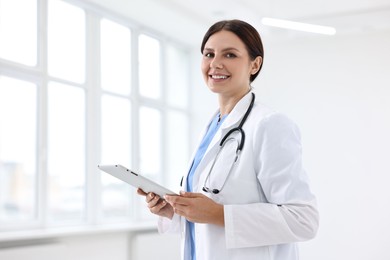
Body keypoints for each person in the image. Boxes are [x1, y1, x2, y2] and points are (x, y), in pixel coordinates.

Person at [137, 19, 319, 260]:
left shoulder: (269, 125)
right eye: (209, 54)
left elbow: (303, 220)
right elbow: (205, 222)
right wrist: (175, 210)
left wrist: (219, 214)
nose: (215, 63)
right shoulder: (210, 129)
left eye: (230, 55)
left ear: (255, 64)